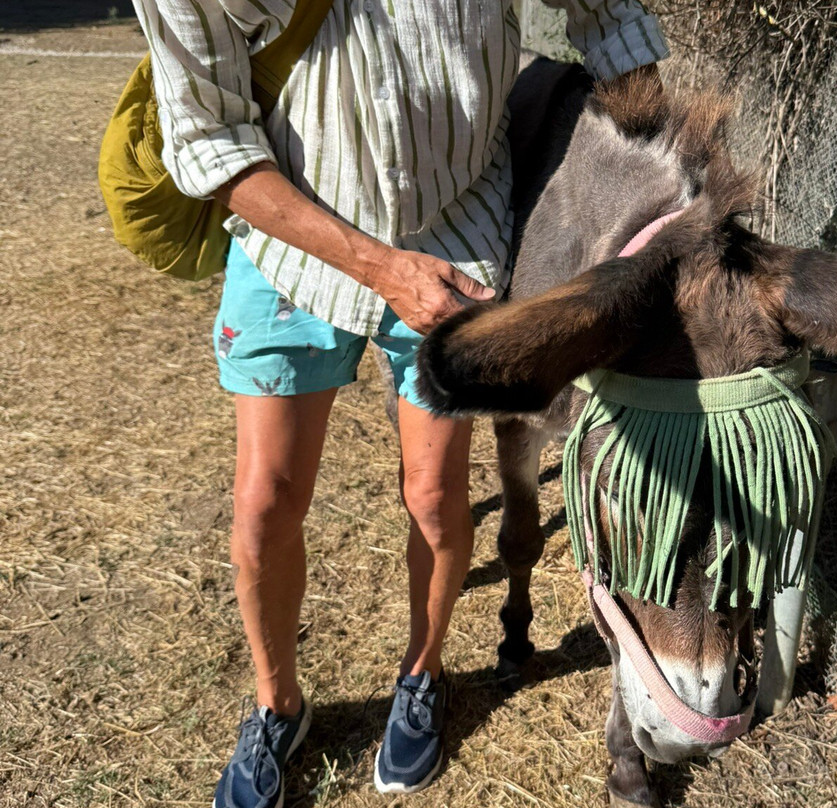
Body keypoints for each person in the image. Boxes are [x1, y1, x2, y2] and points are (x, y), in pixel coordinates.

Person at [128, 0, 668, 803]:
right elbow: (207, 137)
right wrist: (381, 269)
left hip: (454, 239)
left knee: (436, 494)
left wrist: (656, 171)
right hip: (288, 246)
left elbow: (610, 13)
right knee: (263, 508)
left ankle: (422, 674)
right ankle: (277, 705)